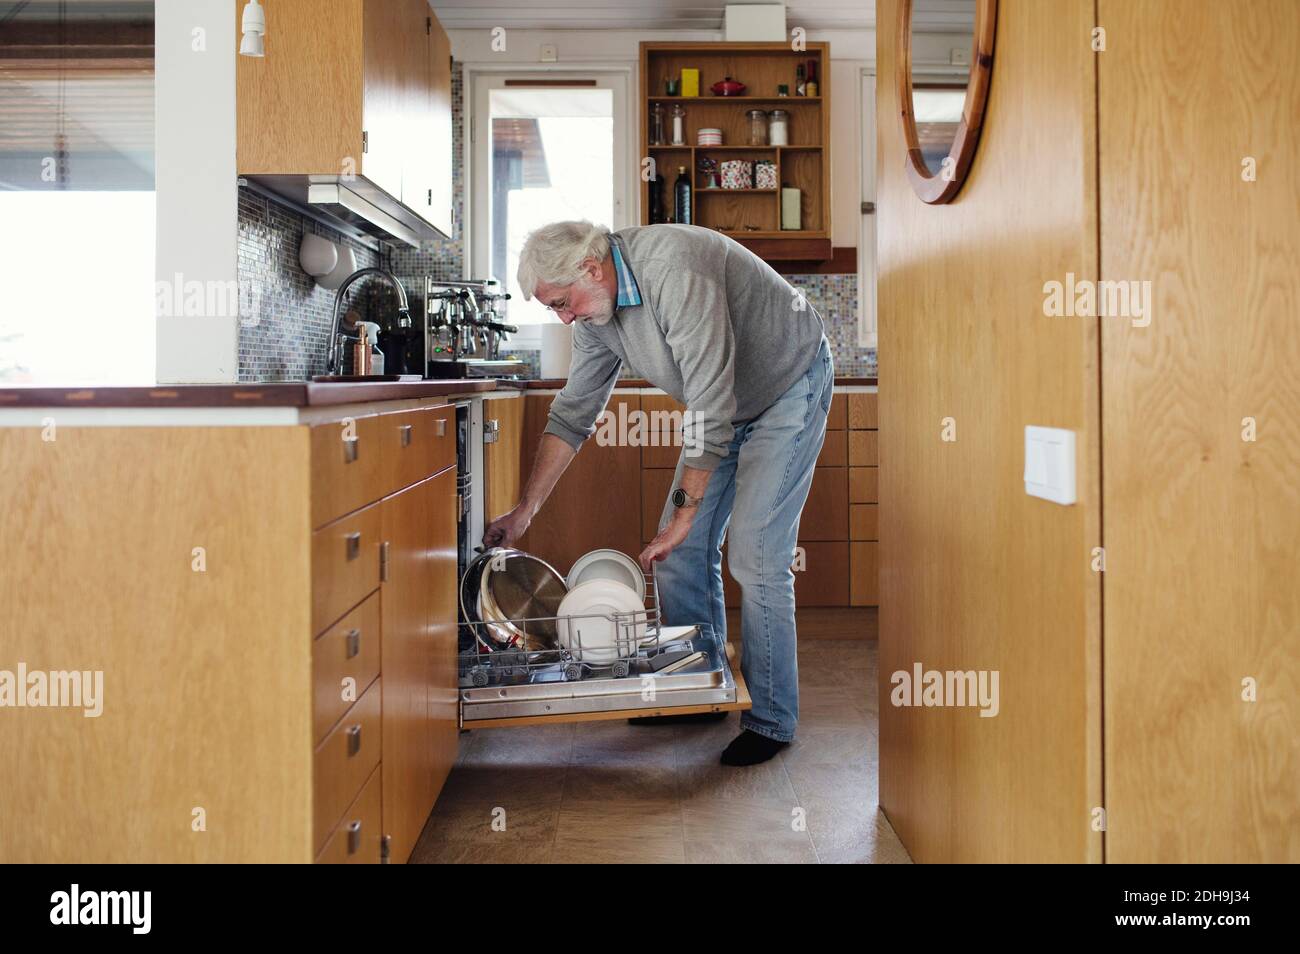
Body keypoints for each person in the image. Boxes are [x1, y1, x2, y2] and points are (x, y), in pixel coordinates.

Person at [484, 221, 833, 765]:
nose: (564, 317)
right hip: (723, 408)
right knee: (679, 555)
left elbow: (709, 399)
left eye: (560, 302)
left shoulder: (673, 269)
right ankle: (698, 690)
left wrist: (686, 512)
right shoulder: (596, 316)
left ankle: (771, 720)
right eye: (553, 309)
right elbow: (575, 413)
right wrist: (525, 510)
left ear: (589, 269)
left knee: (757, 556)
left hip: (786, 384)